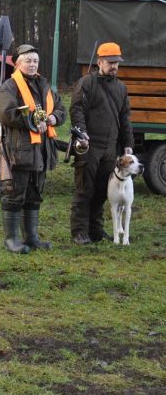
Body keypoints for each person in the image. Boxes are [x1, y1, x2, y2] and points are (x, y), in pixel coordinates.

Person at [0, 44, 66, 253]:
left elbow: (60, 109)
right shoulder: (9, 87)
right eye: (28, 60)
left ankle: (31, 237)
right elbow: (6, 113)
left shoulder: (44, 85)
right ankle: (12, 240)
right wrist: (34, 121)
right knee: (14, 193)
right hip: (17, 150)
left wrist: (53, 117)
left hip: (41, 151)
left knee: (35, 194)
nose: (32, 64)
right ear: (17, 64)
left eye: (35, 60)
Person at [69, 42, 134, 245]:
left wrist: (128, 144)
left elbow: (125, 118)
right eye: (110, 62)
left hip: (110, 149)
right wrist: (82, 134)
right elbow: (76, 109)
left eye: (116, 63)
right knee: (84, 189)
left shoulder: (121, 87)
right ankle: (79, 231)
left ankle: (96, 230)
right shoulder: (86, 83)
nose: (114, 66)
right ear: (99, 62)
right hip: (89, 146)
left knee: (101, 191)